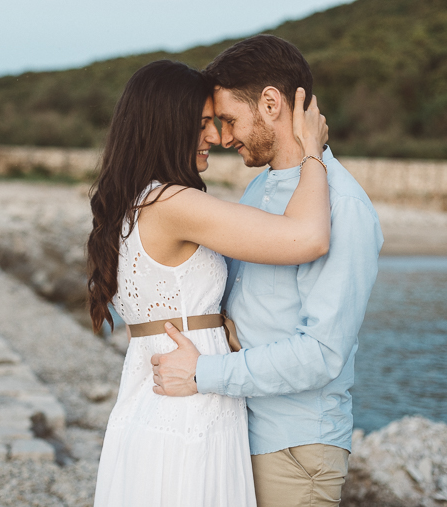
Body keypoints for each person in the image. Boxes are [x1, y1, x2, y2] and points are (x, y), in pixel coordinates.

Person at [151, 35, 384, 507]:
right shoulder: (258, 189)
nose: (220, 137)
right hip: (236, 430)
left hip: (296, 448)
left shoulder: (344, 207)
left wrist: (204, 373)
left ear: (272, 104)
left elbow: (322, 354)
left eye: (229, 119)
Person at [87, 59, 331, 507]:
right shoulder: (173, 202)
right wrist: (311, 150)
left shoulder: (133, 201)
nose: (216, 138)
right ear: (166, 126)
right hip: (190, 409)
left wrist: (223, 321)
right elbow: (309, 238)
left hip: (157, 400)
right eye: (202, 124)